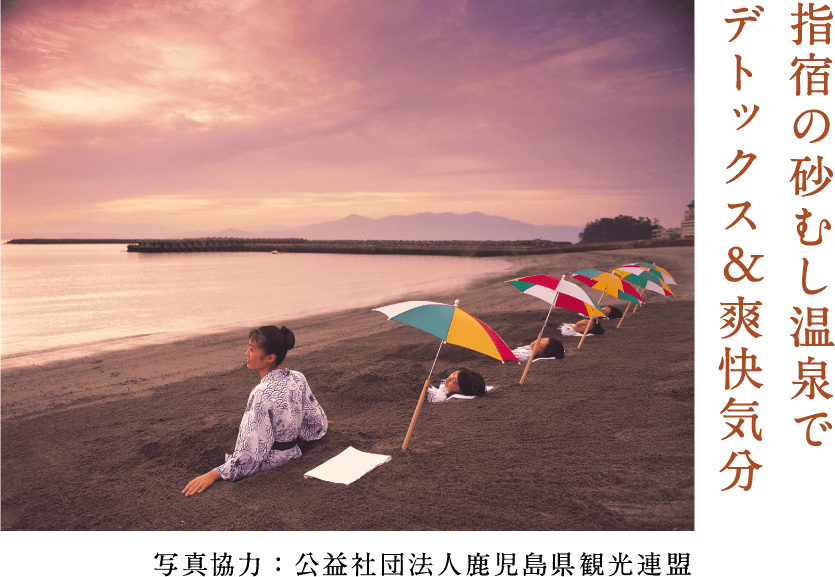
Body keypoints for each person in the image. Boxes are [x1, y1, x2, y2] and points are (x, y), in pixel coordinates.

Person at [182, 325, 328, 496]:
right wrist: (297, 424)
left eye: (251, 349)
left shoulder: (260, 393)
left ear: (269, 358)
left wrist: (214, 474)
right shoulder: (297, 377)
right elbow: (318, 423)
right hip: (295, 452)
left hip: (274, 462)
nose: (246, 354)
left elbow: (250, 455)